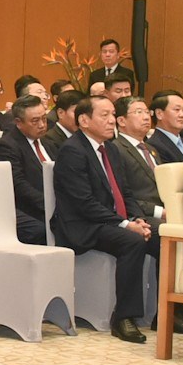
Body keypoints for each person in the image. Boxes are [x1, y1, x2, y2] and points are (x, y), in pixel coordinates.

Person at [53, 96, 161, 343]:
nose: (112, 120)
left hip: (111, 220)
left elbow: (126, 192)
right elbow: (84, 203)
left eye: (113, 114)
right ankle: (124, 318)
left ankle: (165, 313)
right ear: (84, 120)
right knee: (131, 241)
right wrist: (125, 224)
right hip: (83, 226)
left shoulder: (111, 148)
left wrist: (137, 219)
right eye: (105, 115)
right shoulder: (72, 151)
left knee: (163, 235)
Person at [0, 94, 56, 245]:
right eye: (35, 121)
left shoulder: (48, 142)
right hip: (31, 208)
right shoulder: (7, 146)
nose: (42, 125)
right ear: (18, 123)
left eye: (44, 119)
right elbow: (18, 185)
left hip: (56, 204)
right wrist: (50, 204)